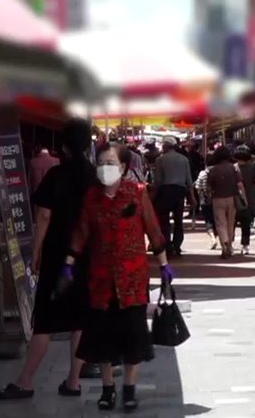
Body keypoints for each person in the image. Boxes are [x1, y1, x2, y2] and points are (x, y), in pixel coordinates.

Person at [60, 142, 173, 411]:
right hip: (100, 279)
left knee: (133, 336)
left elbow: (153, 229)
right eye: (100, 164)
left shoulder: (137, 193)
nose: (104, 169)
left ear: (123, 167)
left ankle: (129, 389)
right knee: (102, 338)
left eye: (110, 163)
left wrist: (164, 266)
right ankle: (108, 388)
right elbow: (81, 233)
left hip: (132, 278)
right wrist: (68, 263)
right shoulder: (91, 197)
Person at [0, 120, 95, 401]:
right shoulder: (95, 177)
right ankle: (73, 381)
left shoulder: (56, 175)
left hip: (57, 256)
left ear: (64, 146)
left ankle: (25, 381)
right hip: (86, 256)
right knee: (80, 320)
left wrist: (36, 251)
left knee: (45, 320)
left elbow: (44, 216)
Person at [153, 136, 195, 257]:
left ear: (165, 146)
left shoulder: (160, 160)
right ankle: (177, 245)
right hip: (180, 191)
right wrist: (192, 197)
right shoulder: (184, 159)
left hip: (165, 191)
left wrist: (153, 194)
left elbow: (158, 181)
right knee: (178, 220)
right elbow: (189, 180)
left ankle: (167, 246)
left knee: (164, 220)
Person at [207, 146, 246, 259]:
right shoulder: (233, 168)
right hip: (232, 198)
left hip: (218, 198)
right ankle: (229, 246)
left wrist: (209, 197)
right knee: (230, 223)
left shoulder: (213, 170)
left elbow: (209, 188)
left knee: (221, 223)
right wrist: (244, 198)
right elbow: (240, 185)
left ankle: (224, 243)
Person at [234, 145, 255, 255]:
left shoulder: (234, 168)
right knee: (246, 224)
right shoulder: (253, 168)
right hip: (249, 199)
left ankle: (230, 243)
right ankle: (245, 245)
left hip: (235, 200)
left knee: (232, 223)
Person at [194, 152, 218, 250]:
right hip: (217, 199)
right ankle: (218, 238)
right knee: (218, 220)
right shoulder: (218, 172)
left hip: (205, 200)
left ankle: (212, 238)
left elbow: (197, 186)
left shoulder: (203, 173)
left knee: (208, 220)